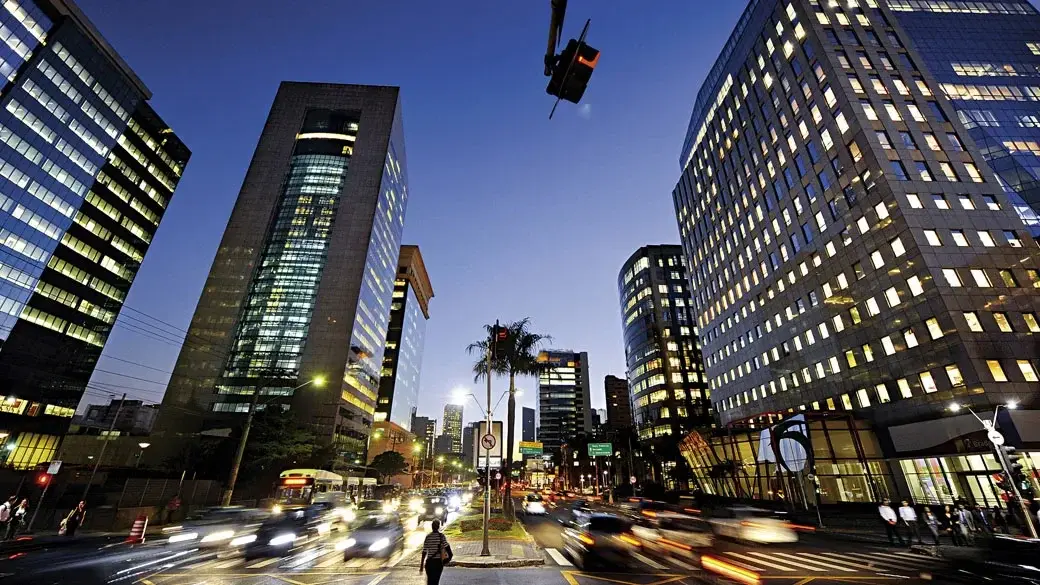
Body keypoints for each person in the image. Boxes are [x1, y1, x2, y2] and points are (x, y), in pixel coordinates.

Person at [420, 519, 453, 585]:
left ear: (432, 526)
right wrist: (447, 560)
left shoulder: (428, 537)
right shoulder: (441, 536)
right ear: (438, 527)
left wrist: (421, 565)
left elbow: (424, 552)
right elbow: (448, 548)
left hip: (429, 563)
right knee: (435, 582)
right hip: (438, 563)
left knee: (430, 582)